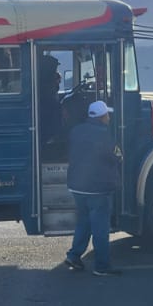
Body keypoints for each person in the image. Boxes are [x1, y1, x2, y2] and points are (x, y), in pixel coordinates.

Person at [64, 100, 121, 276]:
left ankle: (74, 255)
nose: (109, 117)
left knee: (84, 222)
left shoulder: (76, 131)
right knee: (100, 229)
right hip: (98, 188)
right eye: (107, 114)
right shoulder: (105, 135)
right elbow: (116, 157)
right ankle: (102, 266)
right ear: (102, 116)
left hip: (77, 187)